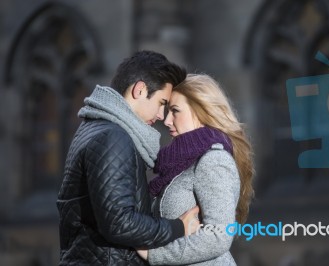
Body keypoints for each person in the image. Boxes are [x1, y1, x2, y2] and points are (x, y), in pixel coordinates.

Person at [57, 51, 200, 265]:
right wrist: (179, 227)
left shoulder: (97, 128)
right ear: (140, 90)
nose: (162, 115)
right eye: (161, 102)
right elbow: (119, 223)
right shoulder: (112, 137)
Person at [137, 74, 255, 265]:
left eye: (175, 111)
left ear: (201, 112)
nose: (166, 120)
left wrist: (154, 254)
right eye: (167, 111)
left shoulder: (213, 160)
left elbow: (219, 237)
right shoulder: (179, 164)